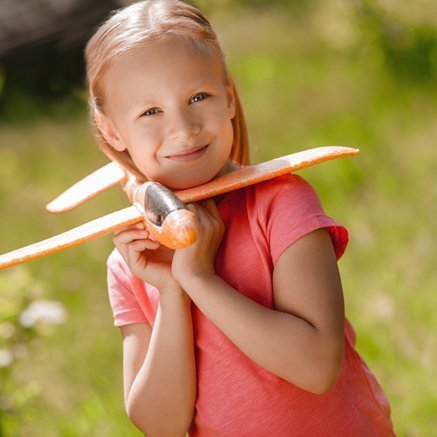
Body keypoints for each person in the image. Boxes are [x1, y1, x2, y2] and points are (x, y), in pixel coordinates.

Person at [85, 1, 395, 435]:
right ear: (112, 130)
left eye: (198, 97)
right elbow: (161, 425)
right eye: (150, 112)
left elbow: (316, 368)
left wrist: (200, 279)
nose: (184, 128)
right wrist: (173, 291)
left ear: (228, 98)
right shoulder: (133, 263)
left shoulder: (281, 203)